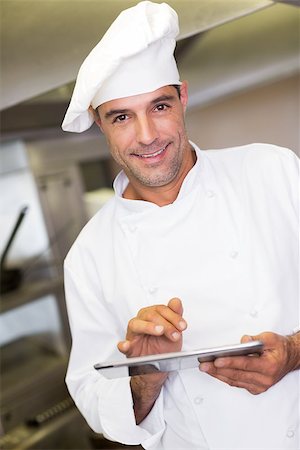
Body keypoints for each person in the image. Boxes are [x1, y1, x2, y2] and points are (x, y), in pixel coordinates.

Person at [62, 1, 299, 449]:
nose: (147, 135)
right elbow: (95, 403)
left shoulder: (274, 172)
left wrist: (294, 352)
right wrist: (147, 376)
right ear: (100, 123)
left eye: (159, 106)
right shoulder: (89, 257)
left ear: (183, 97)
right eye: (122, 117)